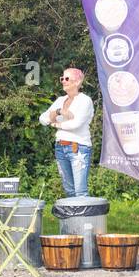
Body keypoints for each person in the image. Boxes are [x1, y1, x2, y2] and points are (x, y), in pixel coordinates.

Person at [40, 67, 95, 197]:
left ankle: (83, 218)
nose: (63, 81)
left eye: (66, 78)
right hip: (60, 147)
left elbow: (76, 124)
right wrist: (59, 111)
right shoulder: (60, 100)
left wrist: (55, 123)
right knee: (69, 191)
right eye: (62, 78)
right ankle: (72, 218)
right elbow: (42, 119)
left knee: (80, 191)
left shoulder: (85, 100)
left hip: (78, 147)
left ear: (77, 82)